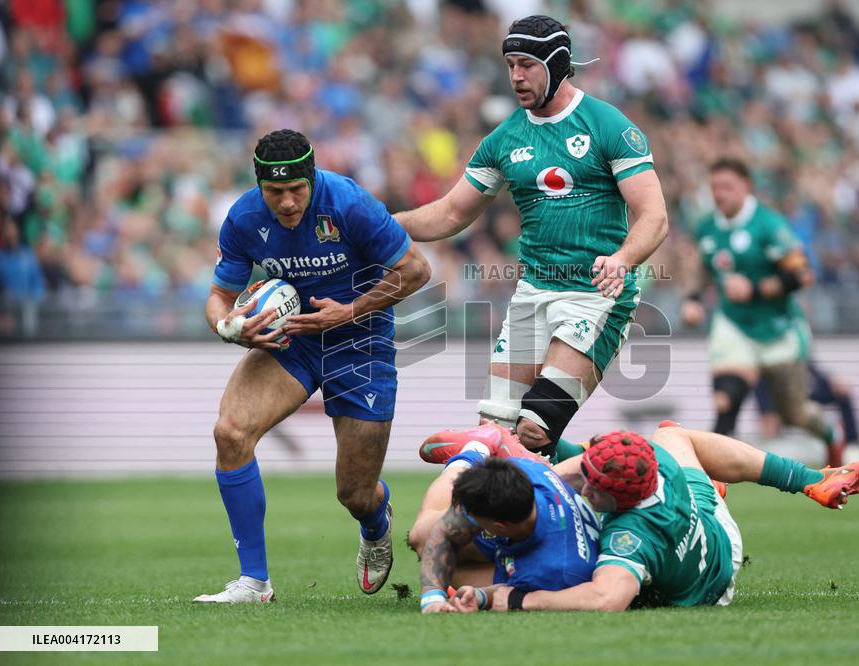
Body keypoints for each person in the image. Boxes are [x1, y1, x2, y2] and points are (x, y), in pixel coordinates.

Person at [395, 15, 668, 459]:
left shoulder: (607, 125)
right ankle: (606, 466)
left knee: (535, 430)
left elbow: (654, 216)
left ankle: (626, 471)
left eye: (526, 65)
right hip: (532, 295)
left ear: (557, 65)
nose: (516, 76)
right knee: (494, 434)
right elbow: (450, 213)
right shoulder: (504, 139)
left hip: (595, 297)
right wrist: (383, 223)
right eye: (510, 65)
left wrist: (622, 259)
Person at [195, 129, 431, 603]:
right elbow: (220, 296)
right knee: (231, 433)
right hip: (292, 342)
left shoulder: (349, 203)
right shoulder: (243, 218)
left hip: (360, 342)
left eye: (295, 189)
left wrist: (348, 311)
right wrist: (228, 327)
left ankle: (375, 521)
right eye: (274, 191)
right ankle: (254, 582)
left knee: (355, 493)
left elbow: (416, 270)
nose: (286, 202)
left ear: (312, 177)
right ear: (259, 185)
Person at [443, 422, 859, 612]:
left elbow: (606, 601)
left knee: (511, 570)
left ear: (621, 503)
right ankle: (810, 479)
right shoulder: (649, 457)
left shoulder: (629, 537)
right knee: (670, 433)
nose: (585, 489)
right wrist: (534, 460)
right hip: (708, 519)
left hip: (709, 585)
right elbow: (581, 472)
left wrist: (515, 599)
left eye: (594, 489)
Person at [681, 157, 845, 467]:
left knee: (794, 413)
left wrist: (755, 290)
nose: (719, 194)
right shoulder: (706, 227)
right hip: (734, 324)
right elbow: (703, 267)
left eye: (727, 187)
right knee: (725, 400)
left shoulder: (769, 225)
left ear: (746, 187)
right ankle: (713, 483)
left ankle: (831, 434)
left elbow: (802, 275)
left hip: (777, 327)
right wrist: (693, 299)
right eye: (715, 187)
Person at [408, 422, 601, 613]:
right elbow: (444, 532)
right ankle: (475, 451)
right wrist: (432, 599)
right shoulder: (528, 475)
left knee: (431, 547)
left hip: (547, 553)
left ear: (498, 527)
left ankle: (477, 449)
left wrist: (482, 596)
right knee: (426, 537)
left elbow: (510, 594)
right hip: (535, 525)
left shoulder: (550, 573)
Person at [754, 360, 859, 449]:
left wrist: (833, 381)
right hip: (784, 399)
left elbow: (814, 371)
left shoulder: (798, 348)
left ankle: (851, 445)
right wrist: (767, 411)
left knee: (842, 392)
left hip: (805, 394)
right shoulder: (767, 362)